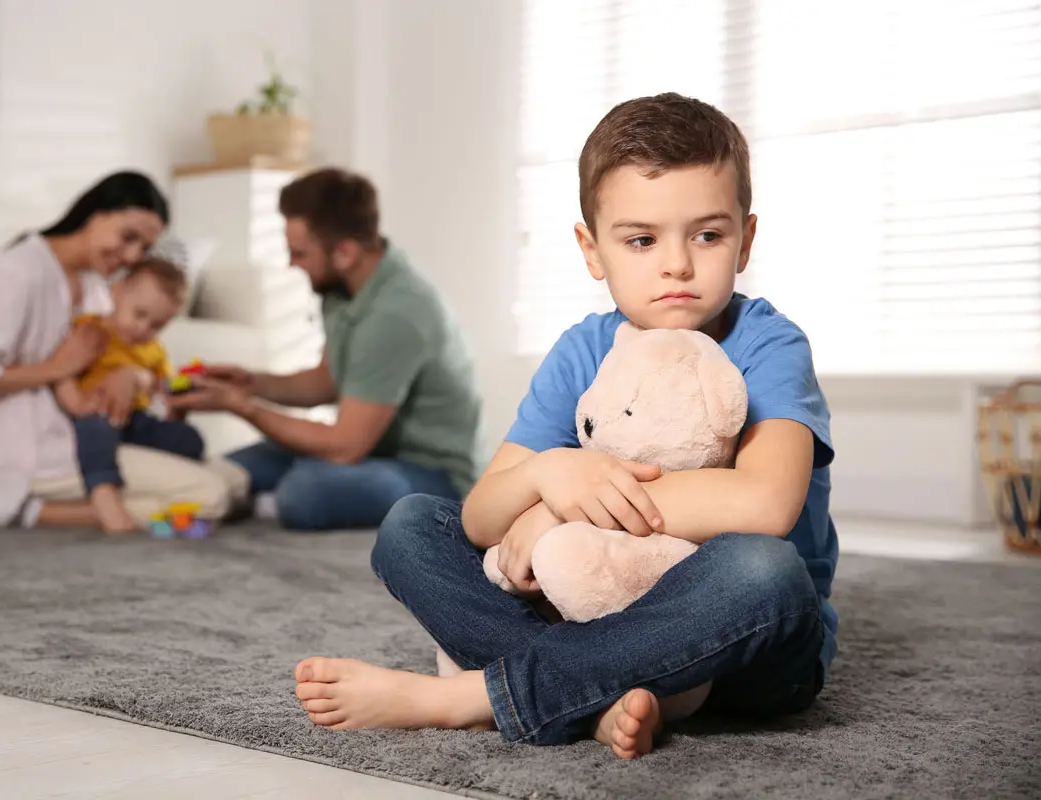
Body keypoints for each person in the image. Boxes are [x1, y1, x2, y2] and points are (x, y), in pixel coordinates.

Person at [290, 94, 838, 759]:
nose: (677, 265)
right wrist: (550, 475)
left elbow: (766, 504)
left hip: (734, 648)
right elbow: (482, 517)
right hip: (594, 607)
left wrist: (564, 511)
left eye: (708, 235)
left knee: (766, 572)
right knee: (410, 527)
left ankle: (478, 697)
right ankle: (594, 695)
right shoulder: (583, 348)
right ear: (591, 248)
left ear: (745, 241)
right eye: (640, 239)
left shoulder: (768, 344)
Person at [168, 167, 484, 531]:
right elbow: (327, 382)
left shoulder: (397, 313)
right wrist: (250, 383)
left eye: (299, 253)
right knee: (229, 468)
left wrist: (241, 407)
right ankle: (256, 493)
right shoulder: (340, 289)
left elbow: (345, 446)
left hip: (430, 473)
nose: (291, 263)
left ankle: (264, 497)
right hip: (369, 452)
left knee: (306, 490)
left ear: (345, 252)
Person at [0, 171, 242, 531]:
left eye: (143, 248)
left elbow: (131, 358)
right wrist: (55, 368)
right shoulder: (15, 272)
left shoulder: (95, 285)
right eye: (128, 237)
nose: (131, 255)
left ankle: (51, 507)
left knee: (237, 482)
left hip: (95, 435)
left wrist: (136, 376)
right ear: (96, 213)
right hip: (33, 450)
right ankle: (32, 509)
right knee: (213, 496)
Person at [54, 257, 207, 533]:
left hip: (136, 418)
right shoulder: (91, 328)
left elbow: (160, 390)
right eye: (139, 314)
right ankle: (104, 494)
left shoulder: (154, 351)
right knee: (97, 428)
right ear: (117, 292)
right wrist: (75, 403)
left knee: (190, 439)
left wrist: (178, 394)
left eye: (156, 325)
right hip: (96, 410)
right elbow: (62, 370)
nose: (143, 328)